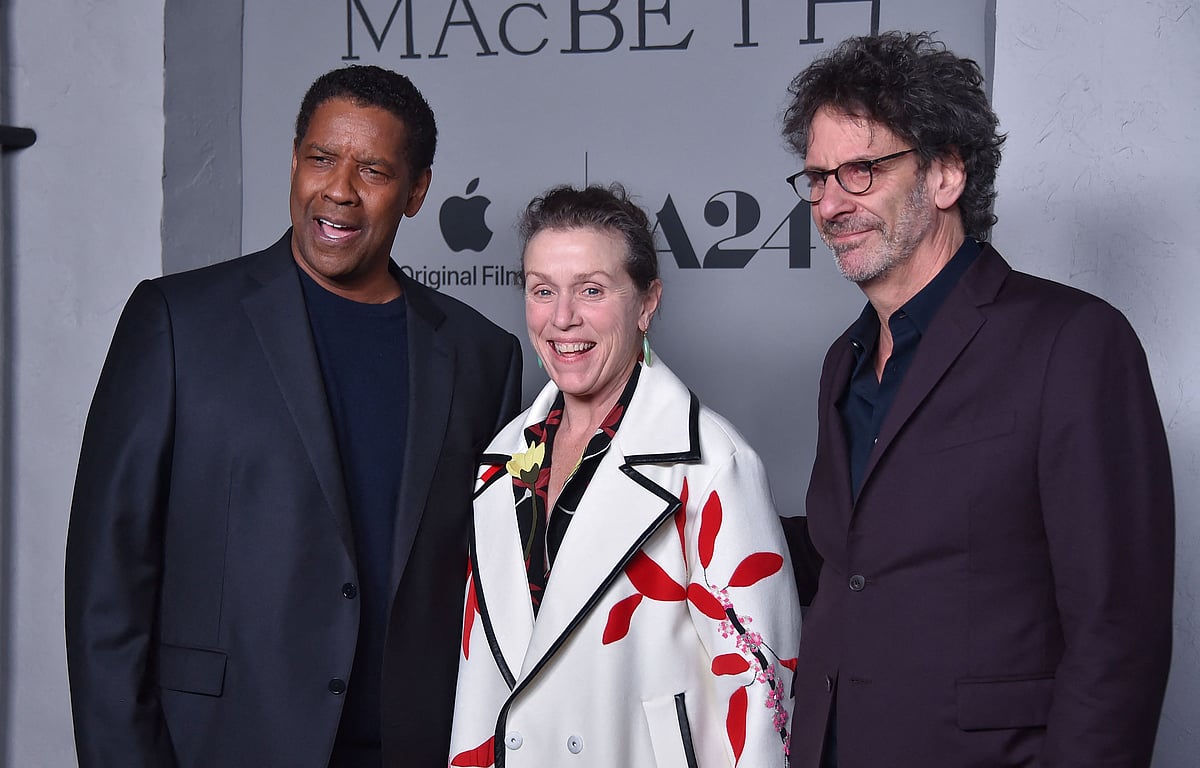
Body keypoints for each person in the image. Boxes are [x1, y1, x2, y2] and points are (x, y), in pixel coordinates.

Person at [65, 65, 522, 768]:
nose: (337, 189)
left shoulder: (481, 356)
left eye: (372, 169)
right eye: (320, 158)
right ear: (294, 161)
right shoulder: (176, 323)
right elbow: (108, 583)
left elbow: (491, 594)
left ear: (417, 191)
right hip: (220, 748)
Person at [778, 32, 1174, 768]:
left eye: (860, 170)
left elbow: (1118, 634)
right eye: (817, 178)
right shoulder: (846, 360)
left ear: (946, 175)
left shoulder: (1075, 343)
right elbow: (867, 557)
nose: (830, 203)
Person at [446, 184, 801, 767]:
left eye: (591, 290)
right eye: (543, 291)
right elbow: (480, 673)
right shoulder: (502, 457)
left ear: (646, 302)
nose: (563, 318)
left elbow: (762, 698)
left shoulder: (713, 463)